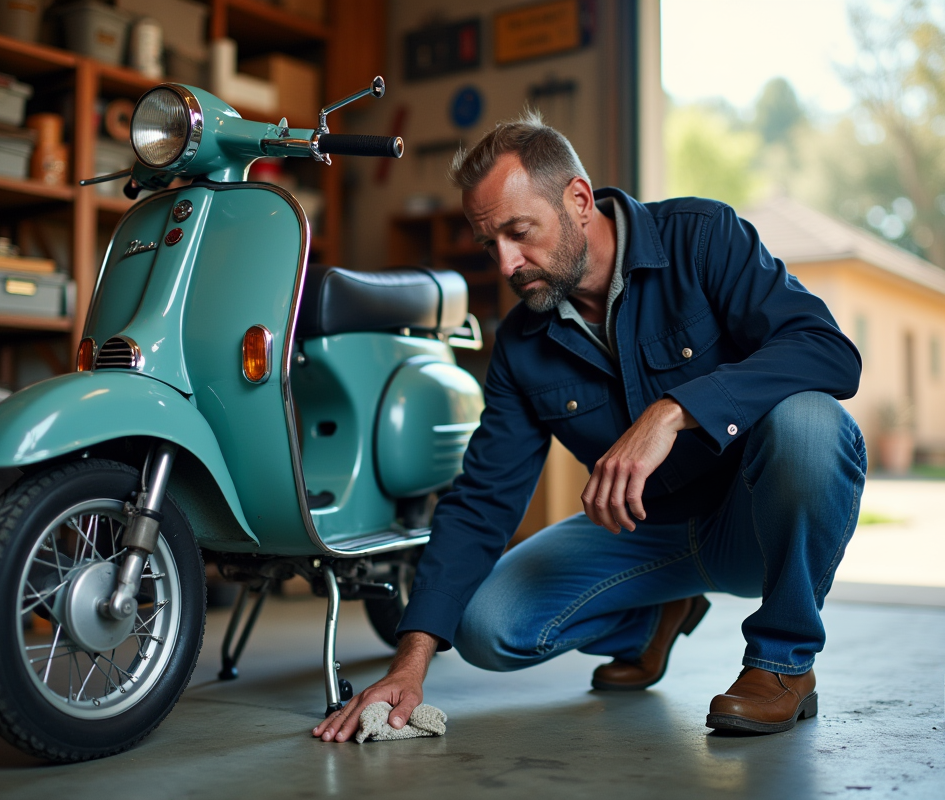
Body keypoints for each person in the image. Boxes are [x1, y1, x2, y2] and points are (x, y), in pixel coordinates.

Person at [314, 112, 865, 742]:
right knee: (484, 626)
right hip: (646, 535)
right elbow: (481, 502)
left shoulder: (702, 237)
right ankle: (652, 618)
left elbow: (827, 351)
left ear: (578, 199)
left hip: (752, 526)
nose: (506, 264)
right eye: (490, 244)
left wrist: (674, 410)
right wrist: (409, 666)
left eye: (520, 233)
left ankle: (782, 665)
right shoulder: (521, 346)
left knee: (811, 423)